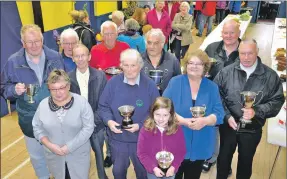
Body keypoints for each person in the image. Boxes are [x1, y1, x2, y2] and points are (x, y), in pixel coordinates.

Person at [214, 39, 285, 179]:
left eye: (250, 53)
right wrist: (227, 115)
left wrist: (257, 111)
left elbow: (277, 100)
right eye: (242, 53)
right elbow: (216, 96)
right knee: (223, 160)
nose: (246, 57)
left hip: (253, 129)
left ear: (257, 52)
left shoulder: (270, 76)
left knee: (246, 163)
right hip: (229, 126)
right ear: (238, 53)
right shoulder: (226, 72)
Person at [1, 24, 64, 179]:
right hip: (30, 120)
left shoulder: (55, 57)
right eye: (30, 42)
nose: (34, 45)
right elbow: (3, 87)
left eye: (37, 40)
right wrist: (13, 90)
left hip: (55, 118)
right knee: (37, 158)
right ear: (23, 43)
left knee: (58, 154)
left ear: (42, 40)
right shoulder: (13, 62)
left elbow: (65, 83)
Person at [163, 49, 225, 179]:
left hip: (201, 143)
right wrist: (183, 121)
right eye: (191, 63)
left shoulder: (212, 87)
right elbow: (163, 108)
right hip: (176, 140)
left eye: (199, 64)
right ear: (186, 65)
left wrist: (205, 121)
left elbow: (219, 113)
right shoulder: (175, 82)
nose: (194, 66)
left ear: (205, 67)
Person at [99, 49, 160, 179]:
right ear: (121, 65)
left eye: (133, 65)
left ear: (140, 65)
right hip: (118, 140)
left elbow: (157, 112)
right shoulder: (113, 83)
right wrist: (109, 122)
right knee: (118, 173)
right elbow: (103, 106)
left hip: (143, 139)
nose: (129, 69)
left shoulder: (150, 85)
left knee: (143, 174)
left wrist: (141, 125)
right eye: (126, 65)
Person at [32, 69, 94, 179]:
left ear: (68, 86)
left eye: (61, 88)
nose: (58, 92)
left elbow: (88, 128)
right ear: (49, 89)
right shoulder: (43, 105)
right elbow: (37, 128)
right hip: (54, 156)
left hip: (78, 156)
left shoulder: (82, 103)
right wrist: (50, 145)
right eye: (53, 89)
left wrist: (69, 147)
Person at [68, 44, 108, 179]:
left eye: (83, 55)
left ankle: (102, 176)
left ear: (89, 57)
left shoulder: (100, 75)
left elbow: (104, 102)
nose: (80, 59)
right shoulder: (68, 78)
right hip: (78, 127)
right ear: (72, 58)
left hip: (97, 124)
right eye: (77, 56)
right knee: (80, 156)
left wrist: (93, 121)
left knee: (99, 153)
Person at [137, 97, 186, 179]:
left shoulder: (177, 129)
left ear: (171, 115)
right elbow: (141, 153)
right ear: (152, 113)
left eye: (165, 115)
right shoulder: (145, 130)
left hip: (170, 171)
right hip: (153, 172)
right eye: (157, 114)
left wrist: (174, 166)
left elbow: (181, 151)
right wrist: (153, 168)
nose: (161, 119)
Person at [141, 28, 181, 93]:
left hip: (166, 100)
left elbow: (178, 83)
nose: (152, 46)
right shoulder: (138, 59)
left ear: (162, 44)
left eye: (156, 43)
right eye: (149, 43)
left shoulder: (172, 60)